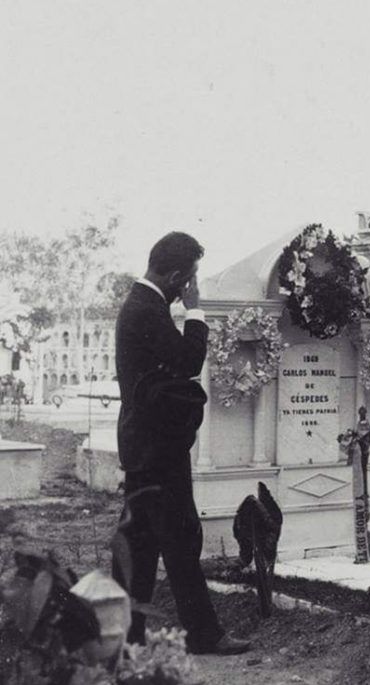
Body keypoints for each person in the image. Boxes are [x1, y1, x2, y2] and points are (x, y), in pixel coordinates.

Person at [112, 232, 250, 655]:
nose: (189, 285)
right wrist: (195, 310)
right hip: (158, 448)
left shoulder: (143, 305)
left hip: (144, 445)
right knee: (180, 539)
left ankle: (120, 638)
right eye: (188, 278)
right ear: (174, 275)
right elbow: (190, 360)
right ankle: (203, 635)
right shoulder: (145, 310)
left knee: (138, 545)